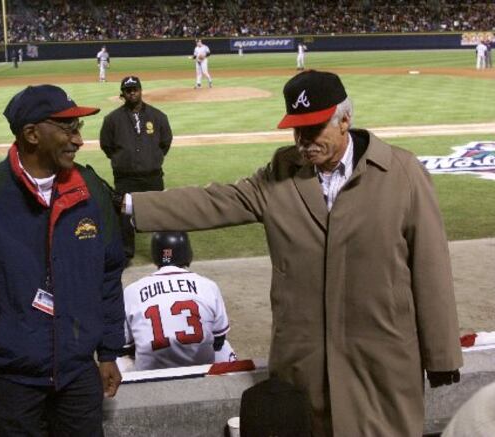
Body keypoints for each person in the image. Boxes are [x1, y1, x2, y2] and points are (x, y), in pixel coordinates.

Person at [124, 70, 462, 436]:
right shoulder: (280, 175)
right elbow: (214, 201)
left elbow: (431, 268)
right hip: (305, 364)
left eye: (314, 128)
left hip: (381, 360)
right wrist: (126, 205)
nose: (303, 141)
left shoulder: (402, 173)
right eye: (297, 130)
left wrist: (441, 354)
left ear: (345, 119)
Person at [0, 84, 126, 436]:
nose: (78, 140)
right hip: (11, 382)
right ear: (32, 134)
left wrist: (108, 350)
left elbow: (109, 276)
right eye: (67, 128)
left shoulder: (91, 191)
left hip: (79, 375)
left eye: (78, 128)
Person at [123, 232, 234, 370]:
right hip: (201, 371)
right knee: (225, 348)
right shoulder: (208, 285)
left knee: (117, 361)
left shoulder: (132, 291)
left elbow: (126, 347)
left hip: (151, 374)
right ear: (187, 252)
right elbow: (219, 340)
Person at [99, 76, 172, 261]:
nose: (132, 93)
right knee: (124, 216)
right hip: (126, 178)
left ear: (141, 90)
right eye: (128, 90)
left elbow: (165, 142)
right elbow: (106, 145)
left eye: (135, 89)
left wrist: (152, 158)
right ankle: (126, 253)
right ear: (122, 94)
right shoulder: (112, 119)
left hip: (152, 175)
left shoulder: (158, 116)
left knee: (158, 214)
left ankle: (163, 253)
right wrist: (121, 159)